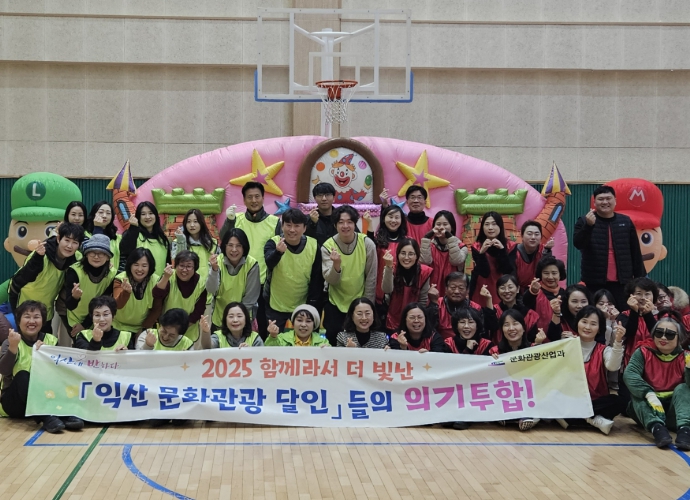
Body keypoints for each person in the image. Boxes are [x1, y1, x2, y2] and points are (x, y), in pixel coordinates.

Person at [0, 301, 83, 433]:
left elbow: (60, 374)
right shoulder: (10, 341)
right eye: (27, 316)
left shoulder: (51, 340)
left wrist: (47, 354)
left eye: (36, 317)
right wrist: (13, 347)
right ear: (19, 320)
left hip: (47, 396)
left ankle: (64, 414)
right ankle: (46, 417)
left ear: (43, 321)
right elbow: (4, 371)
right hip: (16, 403)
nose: (32, 321)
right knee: (22, 375)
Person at [220, 181, 281, 337]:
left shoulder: (274, 222)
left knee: (264, 325)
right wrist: (229, 221)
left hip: (265, 283)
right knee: (238, 323)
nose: (254, 200)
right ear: (244, 200)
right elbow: (224, 241)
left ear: (263, 198)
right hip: (240, 280)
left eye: (257, 196)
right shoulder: (236, 219)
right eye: (250, 197)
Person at [555, 306, 626, 435]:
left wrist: (618, 341)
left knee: (618, 401)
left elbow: (613, 367)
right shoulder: (567, 345)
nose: (587, 327)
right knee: (553, 398)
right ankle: (593, 419)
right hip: (571, 399)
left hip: (595, 401)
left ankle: (575, 418)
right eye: (584, 321)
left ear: (599, 328)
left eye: (593, 324)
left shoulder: (604, 350)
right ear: (577, 323)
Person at [573, 185, 646, 309]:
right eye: (601, 199)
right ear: (594, 202)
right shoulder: (584, 221)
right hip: (594, 282)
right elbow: (578, 244)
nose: (605, 202)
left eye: (608, 198)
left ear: (615, 201)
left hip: (622, 283)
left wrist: (640, 280)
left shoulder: (626, 221)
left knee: (623, 314)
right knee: (596, 314)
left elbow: (635, 252)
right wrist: (589, 226)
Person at [623, 317, 690, 450]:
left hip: (673, 412)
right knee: (637, 395)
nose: (663, 338)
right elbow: (629, 375)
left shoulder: (686, 357)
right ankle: (657, 429)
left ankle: (685, 430)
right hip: (648, 408)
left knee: (684, 388)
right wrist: (649, 394)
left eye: (670, 334)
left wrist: (689, 369)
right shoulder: (642, 352)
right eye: (659, 333)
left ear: (679, 338)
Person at [9, 222, 85, 332]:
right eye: (67, 240)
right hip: (25, 306)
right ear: (58, 239)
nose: (69, 246)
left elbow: (89, 262)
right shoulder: (41, 253)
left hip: (46, 310)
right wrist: (37, 258)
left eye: (75, 242)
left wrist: (107, 264)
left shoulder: (77, 258)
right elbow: (19, 281)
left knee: (47, 340)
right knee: (27, 339)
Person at [322, 205, 377, 346]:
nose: (345, 226)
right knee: (334, 340)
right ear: (335, 225)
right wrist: (336, 265)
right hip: (335, 303)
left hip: (360, 302)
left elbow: (371, 277)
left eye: (349, 222)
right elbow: (331, 280)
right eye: (341, 222)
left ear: (355, 224)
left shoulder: (367, 243)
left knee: (361, 343)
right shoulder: (328, 246)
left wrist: (367, 306)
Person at [263, 209, 322, 332]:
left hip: (303, 303)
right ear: (282, 226)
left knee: (305, 340)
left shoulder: (313, 245)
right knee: (273, 338)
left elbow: (317, 278)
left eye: (297, 226)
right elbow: (269, 263)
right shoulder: (273, 243)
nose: (292, 230)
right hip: (276, 303)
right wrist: (278, 252)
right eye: (288, 225)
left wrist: (311, 304)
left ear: (304, 228)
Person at [489, 309, 546, 431]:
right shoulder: (495, 351)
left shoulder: (534, 348)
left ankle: (530, 416)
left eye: (515, 323)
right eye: (506, 325)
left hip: (528, 394)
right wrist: (491, 362)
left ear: (524, 328)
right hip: (505, 393)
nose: (511, 328)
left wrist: (539, 346)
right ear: (502, 330)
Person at [62, 234, 117, 338]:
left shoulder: (112, 274)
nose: (96, 257)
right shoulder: (74, 271)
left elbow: (104, 303)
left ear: (107, 257)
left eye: (101, 253)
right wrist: (75, 297)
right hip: (75, 317)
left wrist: (85, 325)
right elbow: (70, 305)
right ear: (86, 254)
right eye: (92, 252)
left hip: (99, 318)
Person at [207, 228, 260, 332]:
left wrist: (236, 320)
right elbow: (211, 290)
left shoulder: (252, 265)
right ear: (224, 246)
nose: (234, 250)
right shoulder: (217, 262)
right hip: (220, 320)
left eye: (238, 245)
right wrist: (214, 270)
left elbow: (250, 299)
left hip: (243, 320)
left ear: (244, 247)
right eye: (230, 245)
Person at [365, 204, 407, 321]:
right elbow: (369, 247)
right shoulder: (378, 240)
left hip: (400, 288)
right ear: (383, 219)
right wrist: (369, 223)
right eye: (390, 216)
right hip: (380, 289)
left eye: (397, 217)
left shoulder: (407, 241)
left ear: (402, 220)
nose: (393, 220)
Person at [155, 251, 207, 343]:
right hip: (165, 330)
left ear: (195, 268)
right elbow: (157, 295)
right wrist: (165, 277)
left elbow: (199, 311)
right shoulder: (169, 277)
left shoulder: (201, 283)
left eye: (189, 266)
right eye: (181, 265)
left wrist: (178, 329)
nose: (184, 270)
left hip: (188, 332)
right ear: (176, 266)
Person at [381, 238, 432, 332]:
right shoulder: (391, 268)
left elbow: (423, 301)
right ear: (398, 254)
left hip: (414, 320)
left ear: (417, 256)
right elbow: (387, 290)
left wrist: (416, 320)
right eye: (403, 253)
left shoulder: (424, 272)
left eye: (411, 254)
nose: (406, 257)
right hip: (392, 319)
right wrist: (388, 267)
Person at [113, 248, 162, 335]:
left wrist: (144, 329)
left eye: (144, 266)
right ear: (130, 265)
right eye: (136, 265)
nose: (139, 269)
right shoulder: (120, 279)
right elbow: (117, 305)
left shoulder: (156, 281)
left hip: (143, 327)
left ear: (150, 266)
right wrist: (126, 292)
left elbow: (157, 309)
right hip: (117, 326)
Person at [470, 211, 516, 305]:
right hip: (482, 287)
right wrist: (482, 253)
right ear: (482, 227)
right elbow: (484, 273)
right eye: (487, 224)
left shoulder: (511, 246)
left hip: (503, 287)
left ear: (500, 226)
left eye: (494, 224)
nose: (490, 228)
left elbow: (507, 270)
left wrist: (502, 250)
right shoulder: (476, 246)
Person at [420, 210, 467, 298]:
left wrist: (450, 237)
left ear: (452, 227)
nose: (441, 227)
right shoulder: (429, 245)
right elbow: (425, 262)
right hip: (432, 288)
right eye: (438, 224)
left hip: (452, 289)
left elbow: (455, 261)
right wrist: (427, 237)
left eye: (445, 224)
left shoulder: (461, 247)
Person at [119, 201, 171, 276]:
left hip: (159, 282)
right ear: (138, 217)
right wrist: (133, 228)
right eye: (143, 214)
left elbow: (167, 263)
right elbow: (125, 251)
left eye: (151, 213)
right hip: (137, 281)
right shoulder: (133, 233)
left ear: (156, 216)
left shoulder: (162, 238)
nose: (147, 217)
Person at [427, 272, 482, 339]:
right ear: (446, 289)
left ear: (467, 290)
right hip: (441, 343)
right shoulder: (437, 303)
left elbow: (480, 332)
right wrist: (433, 304)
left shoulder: (475, 307)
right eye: (453, 288)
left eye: (461, 288)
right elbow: (430, 329)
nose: (456, 291)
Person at [173, 208, 219, 288]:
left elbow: (218, 267)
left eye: (195, 221)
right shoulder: (177, 242)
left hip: (207, 288)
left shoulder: (213, 243)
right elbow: (178, 262)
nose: (192, 225)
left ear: (201, 223)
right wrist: (181, 241)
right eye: (188, 222)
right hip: (184, 287)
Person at [491, 275, 539, 345]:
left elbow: (532, 340)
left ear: (518, 289)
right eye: (502, 288)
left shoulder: (529, 314)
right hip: (499, 350)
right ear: (497, 291)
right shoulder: (493, 311)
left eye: (510, 287)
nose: (507, 291)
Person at [523, 256, 567, 331]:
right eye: (546, 273)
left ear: (560, 275)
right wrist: (533, 292)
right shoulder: (534, 291)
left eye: (554, 273)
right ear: (540, 275)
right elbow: (525, 303)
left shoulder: (565, 293)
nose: (550, 277)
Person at [512, 220, 554, 292]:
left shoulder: (544, 250)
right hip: (517, 291)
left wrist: (547, 251)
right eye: (529, 234)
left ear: (541, 237)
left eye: (537, 234)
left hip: (540, 291)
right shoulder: (514, 252)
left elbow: (547, 271)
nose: (533, 237)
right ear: (522, 236)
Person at [264, 304, 329, 347]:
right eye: (299, 320)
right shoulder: (282, 338)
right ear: (293, 323)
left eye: (308, 321)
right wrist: (273, 337)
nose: (303, 325)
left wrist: (327, 352)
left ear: (314, 325)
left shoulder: (322, 341)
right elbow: (269, 353)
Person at [84, 201, 122, 270]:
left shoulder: (118, 237)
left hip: (113, 275)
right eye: (101, 212)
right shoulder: (85, 234)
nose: (104, 216)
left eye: (108, 213)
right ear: (93, 214)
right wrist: (97, 228)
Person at [306, 182, 338, 247]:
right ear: (315, 198)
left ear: (334, 198)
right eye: (320, 195)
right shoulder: (307, 219)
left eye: (328, 195)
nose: (324, 199)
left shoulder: (341, 217)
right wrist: (313, 223)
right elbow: (304, 240)